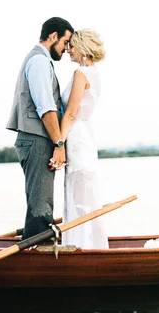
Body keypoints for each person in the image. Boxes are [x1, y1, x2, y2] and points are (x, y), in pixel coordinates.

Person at [6, 17, 73, 240]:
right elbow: (46, 108)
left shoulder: (39, 60)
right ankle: (40, 254)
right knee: (41, 206)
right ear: (53, 37)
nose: (66, 49)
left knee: (39, 202)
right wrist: (59, 144)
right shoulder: (40, 62)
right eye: (65, 42)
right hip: (36, 139)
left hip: (35, 139)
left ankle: (35, 248)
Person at [59, 29, 108, 249]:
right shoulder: (95, 74)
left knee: (78, 196)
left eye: (72, 46)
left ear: (83, 47)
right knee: (86, 196)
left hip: (77, 137)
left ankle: (80, 247)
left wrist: (58, 144)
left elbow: (70, 113)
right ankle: (91, 244)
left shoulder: (81, 73)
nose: (68, 51)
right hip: (86, 135)